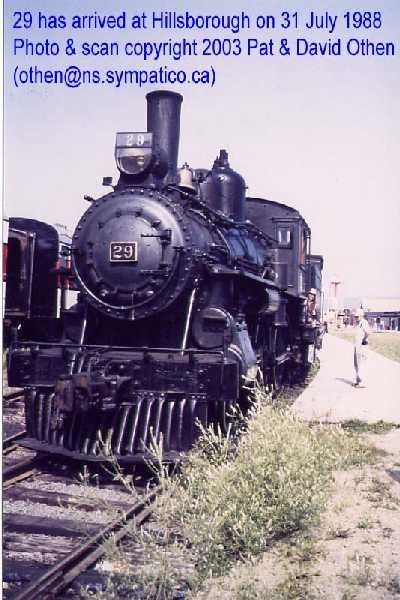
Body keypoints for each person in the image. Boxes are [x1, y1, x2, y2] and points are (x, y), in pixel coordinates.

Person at [353, 308, 369, 388]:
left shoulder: (364, 322)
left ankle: (362, 382)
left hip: (362, 346)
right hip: (357, 346)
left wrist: (364, 339)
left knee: (361, 364)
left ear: (361, 316)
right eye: (355, 317)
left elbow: (368, 332)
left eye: (357, 317)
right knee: (356, 364)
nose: (355, 318)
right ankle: (358, 381)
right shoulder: (359, 323)